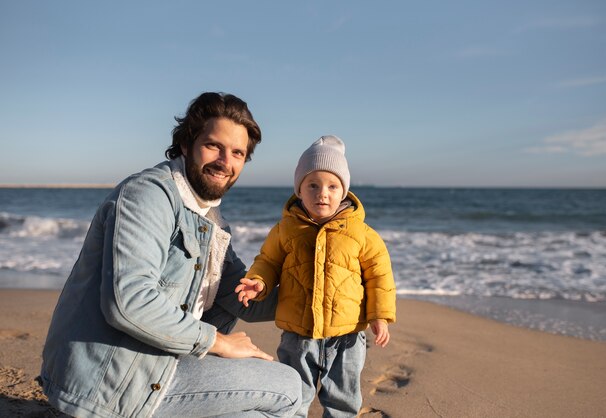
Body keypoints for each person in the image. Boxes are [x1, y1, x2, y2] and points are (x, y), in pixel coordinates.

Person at [39, 92, 302, 418]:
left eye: (237, 153)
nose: (225, 161)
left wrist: (323, 299)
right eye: (213, 146)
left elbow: (242, 297)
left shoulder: (210, 220)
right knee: (290, 388)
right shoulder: (148, 195)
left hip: (156, 362)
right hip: (112, 382)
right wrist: (219, 342)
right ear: (185, 144)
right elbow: (128, 302)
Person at [236, 135, 396, 417]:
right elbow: (268, 261)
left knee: (343, 399)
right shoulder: (286, 229)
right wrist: (258, 282)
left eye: (333, 186)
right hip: (298, 334)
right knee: (294, 394)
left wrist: (379, 315)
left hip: (347, 335)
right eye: (313, 185)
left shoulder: (361, 233)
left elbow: (379, 276)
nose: (323, 193)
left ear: (344, 192)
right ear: (299, 190)